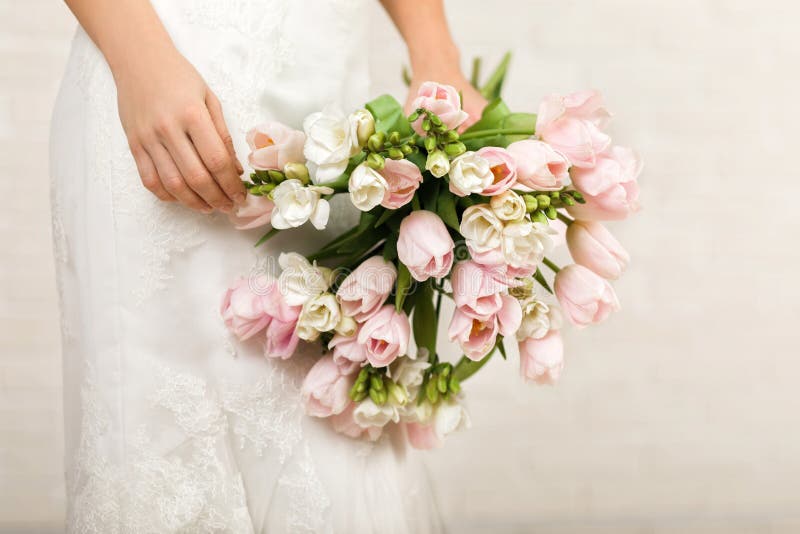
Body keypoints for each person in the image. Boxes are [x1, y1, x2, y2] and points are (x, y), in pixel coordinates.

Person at [51, 0, 486, 532]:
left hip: (329, 98)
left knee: (335, 437)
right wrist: (139, 57)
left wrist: (435, 52)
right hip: (164, 78)